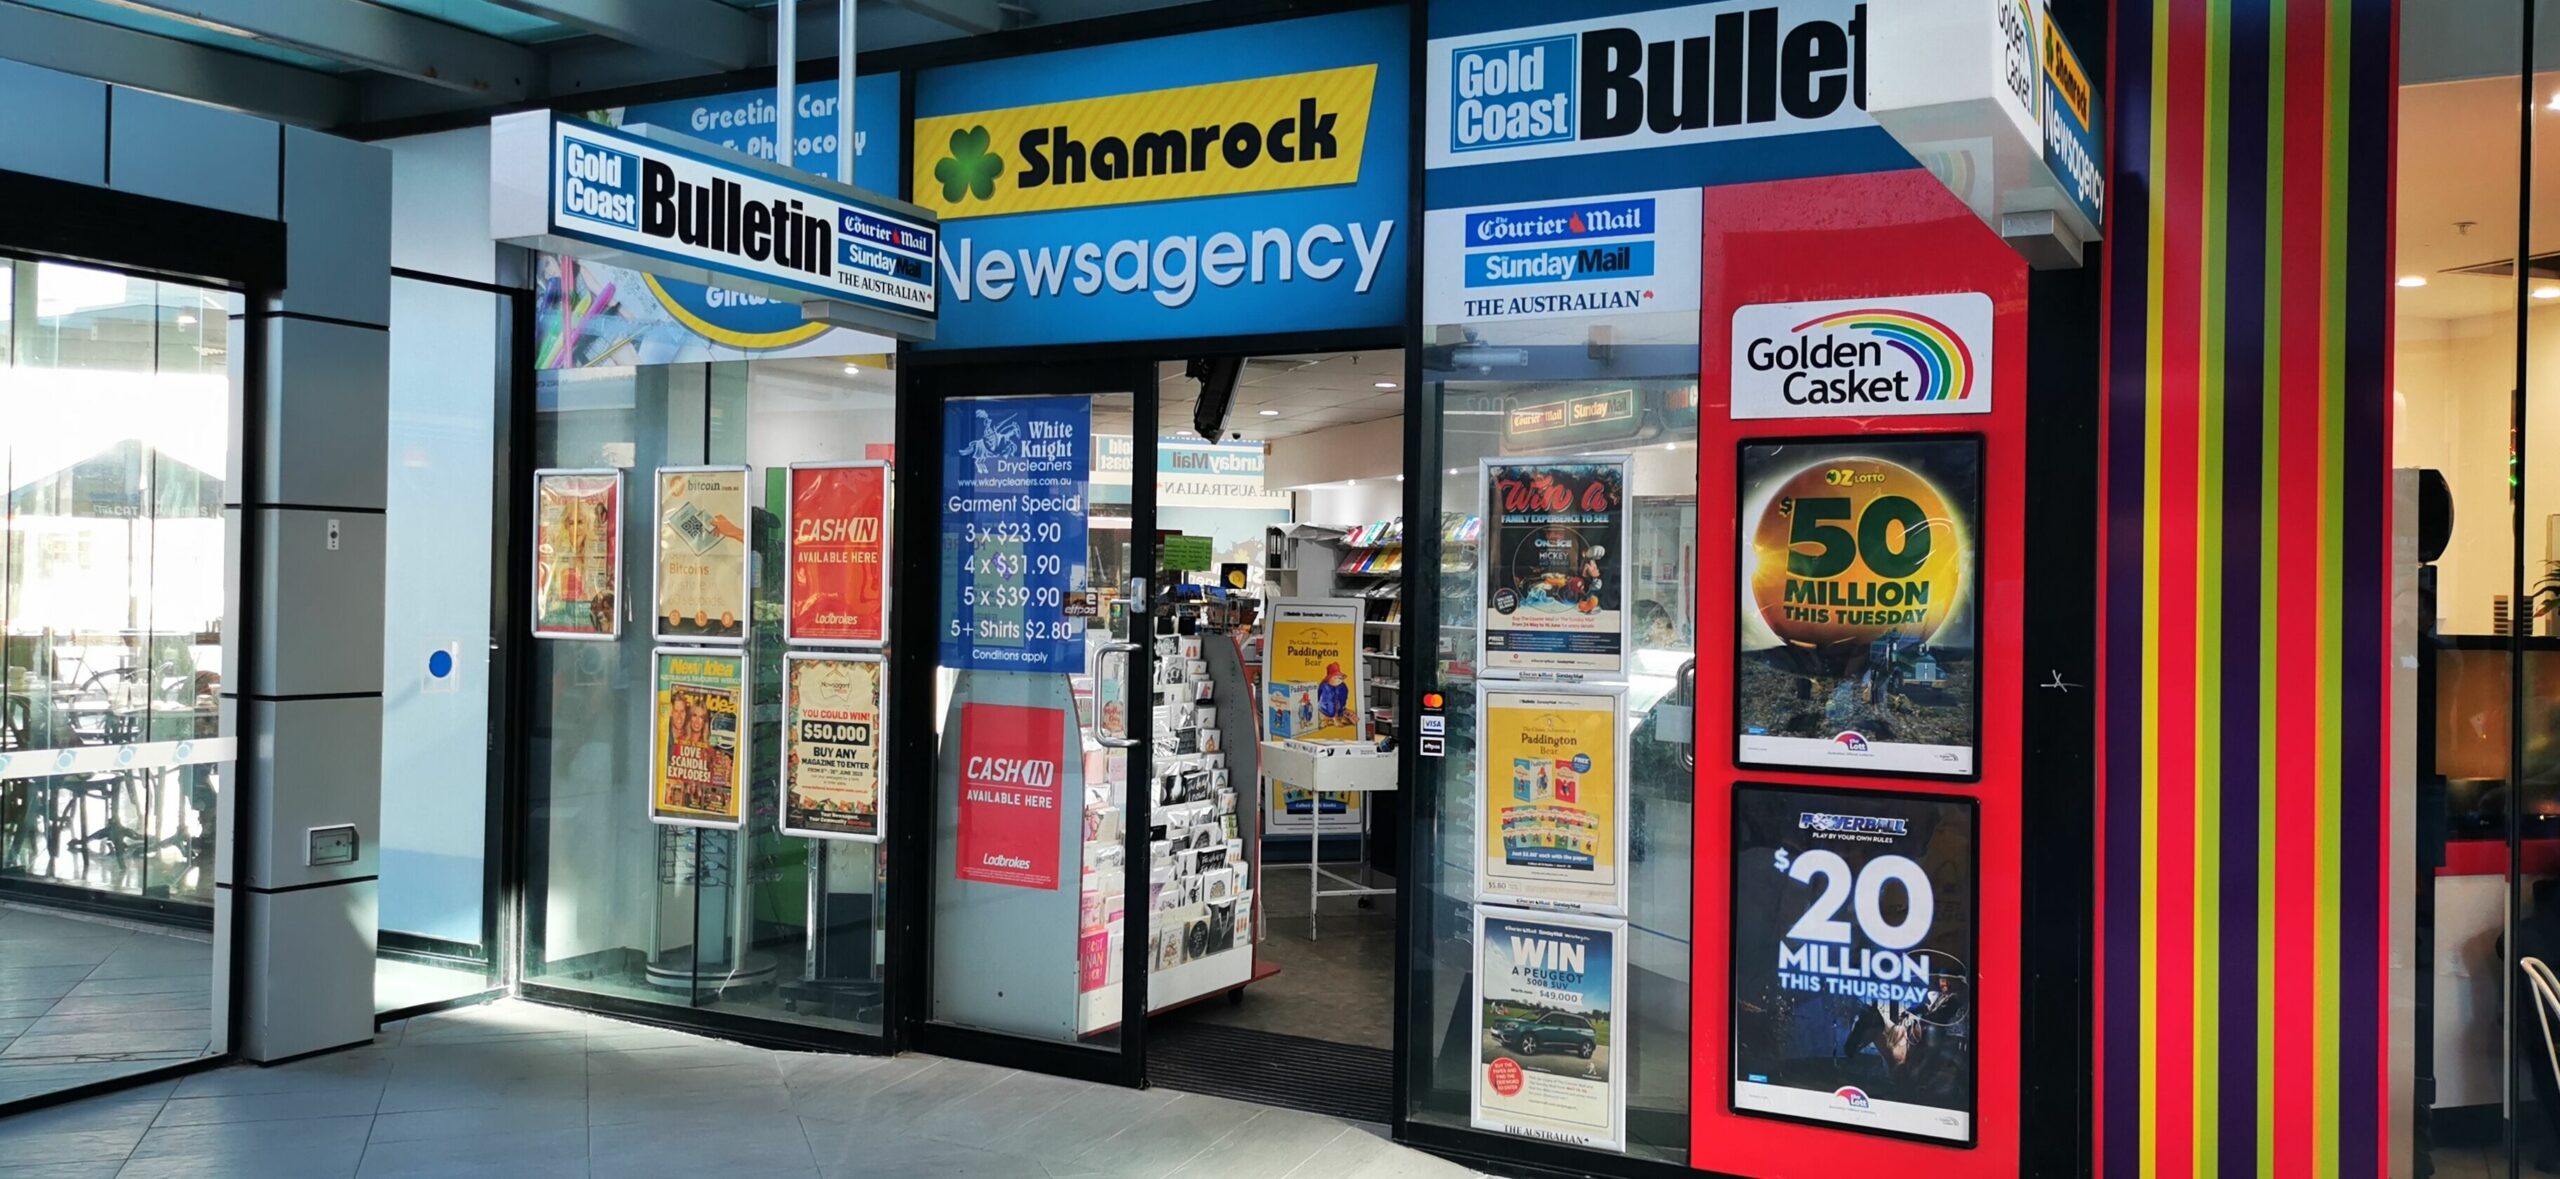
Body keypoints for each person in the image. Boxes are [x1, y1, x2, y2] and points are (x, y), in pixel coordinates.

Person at [1315, 662, 1351, 727]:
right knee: (1327, 709)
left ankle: (1336, 719)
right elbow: (1319, 695)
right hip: (1324, 706)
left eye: (1340, 678)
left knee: (1337, 708)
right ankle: (1326, 720)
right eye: (1335, 678)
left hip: (1338, 706)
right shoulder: (1324, 686)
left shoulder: (1342, 686)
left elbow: (1344, 696)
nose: (1338, 680)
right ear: (1329, 679)